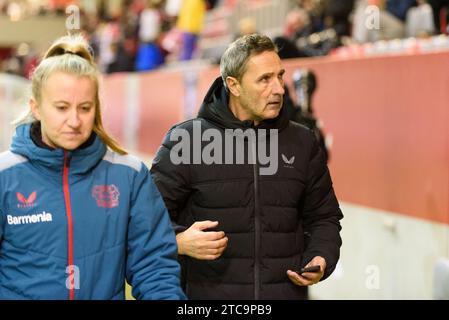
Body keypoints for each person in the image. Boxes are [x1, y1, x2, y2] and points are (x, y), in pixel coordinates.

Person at [151, 34, 343, 299]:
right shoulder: (186, 141)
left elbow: (324, 217)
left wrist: (321, 256)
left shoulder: (302, 141)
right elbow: (145, 221)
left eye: (280, 76)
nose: (279, 89)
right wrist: (178, 242)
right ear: (234, 85)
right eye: (265, 79)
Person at [0, 34, 185, 300]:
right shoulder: (5, 176)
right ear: (36, 108)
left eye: (84, 108)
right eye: (61, 108)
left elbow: (154, 267)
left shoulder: (129, 175)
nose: (74, 120)